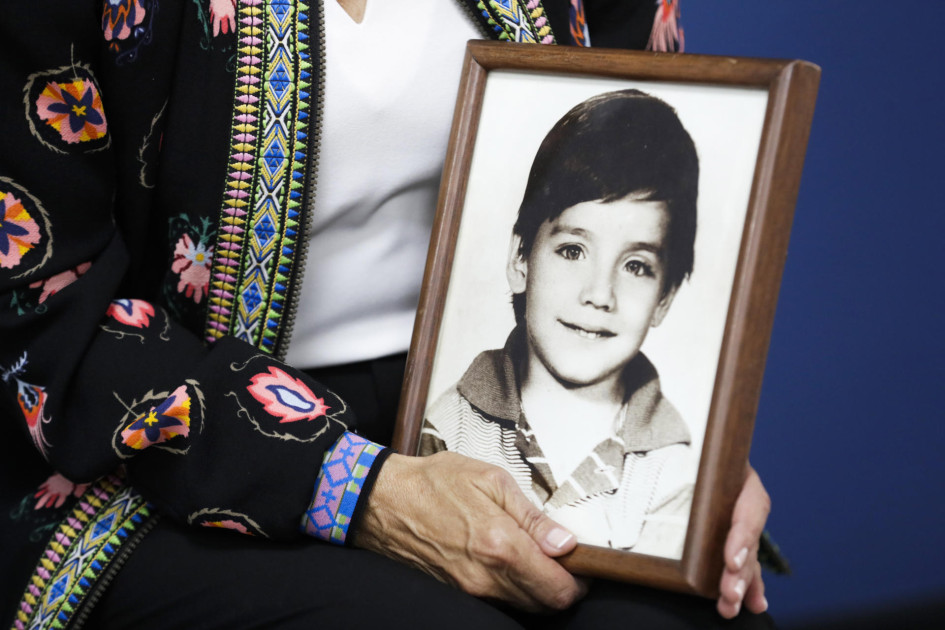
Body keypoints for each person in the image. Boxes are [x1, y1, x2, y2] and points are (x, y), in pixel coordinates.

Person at [0, 1, 772, 627]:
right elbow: (38, 310)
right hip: (147, 452)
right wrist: (360, 490)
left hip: (493, 414)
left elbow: (650, 160)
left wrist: (694, 449)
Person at [421, 89, 699, 558]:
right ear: (521, 260)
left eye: (635, 266)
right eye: (573, 251)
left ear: (664, 298)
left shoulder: (674, 468)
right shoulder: (450, 422)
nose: (599, 294)